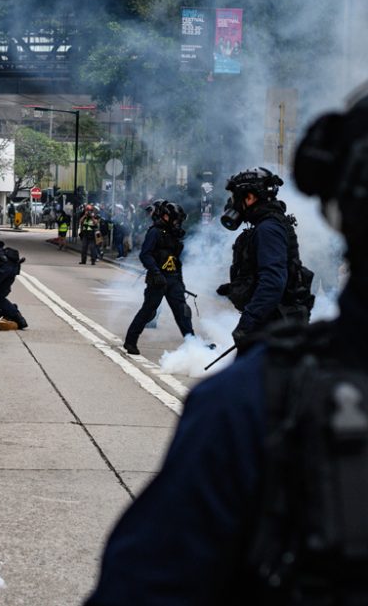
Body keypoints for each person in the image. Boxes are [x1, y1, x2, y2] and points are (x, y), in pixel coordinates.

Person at [85, 90, 368, 606]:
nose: (234, 207)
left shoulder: (256, 402)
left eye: (239, 198)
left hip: (270, 327)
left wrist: (250, 322)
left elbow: (147, 583)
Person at [216, 167, 315, 348]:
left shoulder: (267, 229)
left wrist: (249, 321)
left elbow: (273, 281)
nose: (233, 203)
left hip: (274, 323)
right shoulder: (270, 224)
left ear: (250, 197)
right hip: (276, 319)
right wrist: (236, 288)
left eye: (235, 197)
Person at [122, 200, 195, 355]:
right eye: (176, 220)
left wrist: (180, 282)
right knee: (148, 311)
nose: (177, 223)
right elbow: (145, 254)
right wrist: (155, 272)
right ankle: (130, 341)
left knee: (183, 314)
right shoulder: (155, 232)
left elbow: (177, 261)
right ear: (167, 217)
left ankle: (194, 345)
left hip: (173, 279)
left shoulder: (174, 236)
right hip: (158, 279)